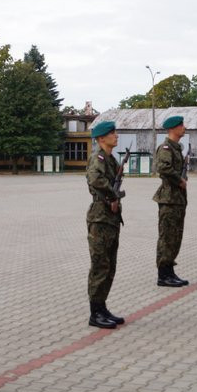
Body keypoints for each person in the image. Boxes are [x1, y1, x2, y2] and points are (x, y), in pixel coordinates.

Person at [84, 121, 126, 329]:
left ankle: (102, 307)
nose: (116, 136)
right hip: (100, 217)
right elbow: (94, 179)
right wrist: (112, 194)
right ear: (101, 138)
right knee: (100, 266)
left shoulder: (111, 158)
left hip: (111, 218)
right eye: (112, 133)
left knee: (110, 266)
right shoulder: (98, 158)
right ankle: (95, 313)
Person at [154, 116, 189, 287]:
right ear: (173, 128)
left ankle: (170, 270)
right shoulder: (166, 147)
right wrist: (179, 180)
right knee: (167, 237)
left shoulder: (176, 148)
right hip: (169, 198)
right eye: (181, 125)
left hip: (177, 198)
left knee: (175, 236)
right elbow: (163, 168)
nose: (184, 127)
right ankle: (163, 274)